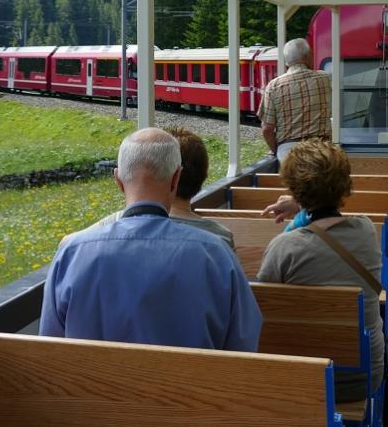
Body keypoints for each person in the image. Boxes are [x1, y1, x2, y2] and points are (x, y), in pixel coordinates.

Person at [40, 127, 261, 351]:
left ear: (118, 180)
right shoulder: (216, 254)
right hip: (189, 386)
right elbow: (242, 348)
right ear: (176, 178)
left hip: (89, 386)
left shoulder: (72, 253)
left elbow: (49, 348)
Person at [257, 139, 384, 402]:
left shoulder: (284, 247)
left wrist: (302, 208)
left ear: (294, 188)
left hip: (302, 378)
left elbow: (263, 314)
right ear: (344, 186)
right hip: (362, 377)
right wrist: (305, 206)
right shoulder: (367, 231)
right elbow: (329, 220)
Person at [88, 127, 234, 249]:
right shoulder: (220, 239)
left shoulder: (104, 229)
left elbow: (68, 242)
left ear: (119, 181)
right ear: (203, 176)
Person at [257, 38, 331, 163]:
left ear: (286, 62)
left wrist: (277, 150)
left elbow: (267, 129)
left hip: (289, 152)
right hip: (321, 149)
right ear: (307, 57)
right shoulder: (325, 78)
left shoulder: (274, 86)